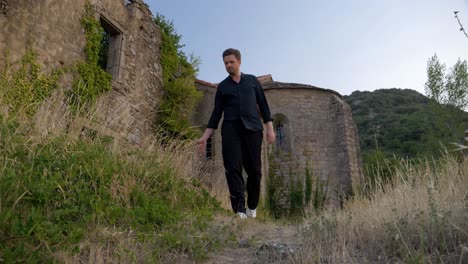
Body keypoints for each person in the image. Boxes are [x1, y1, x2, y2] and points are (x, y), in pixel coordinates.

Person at [197, 48, 276, 219]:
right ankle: (239, 209)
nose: (228, 65)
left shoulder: (252, 81)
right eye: (226, 63)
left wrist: (270, 128)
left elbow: (263, 105)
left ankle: (252, 206)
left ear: (239, 62)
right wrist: (205, 136)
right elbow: (216, 113)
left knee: (255, 170)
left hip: (253, 130)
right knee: (233, 169)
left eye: (231, 62)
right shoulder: (223, 87)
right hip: (231, 131)